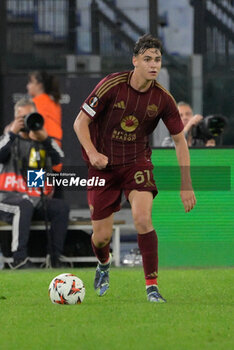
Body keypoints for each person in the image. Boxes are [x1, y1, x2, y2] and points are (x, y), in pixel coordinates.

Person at [73, 34, 196, 303]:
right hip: (102, 166)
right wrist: (93, 154)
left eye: (158, 60)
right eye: (148, 59)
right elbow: (79, 122)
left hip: (136, 163)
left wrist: (186, 184)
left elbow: (180, 141)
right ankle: (104, 264)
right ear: (135, 61)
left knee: (142, 219)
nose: (154, 65)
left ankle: (152, 287)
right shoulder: (111, 85)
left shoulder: (163, 99)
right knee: (102, 238)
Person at [0, 97, 69, 269]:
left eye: (30, 116)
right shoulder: (7, 138)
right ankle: (19, 259)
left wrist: (44, 140)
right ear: (15, 118)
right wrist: (12, 134)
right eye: (22, 117)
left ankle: (54, 259)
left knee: (60, 207)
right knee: (24, 204)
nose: (26, 121)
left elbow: (58, 159)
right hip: (6, 198)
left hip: (32, 198)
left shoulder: (40, 141)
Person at [26, 71, 63, 148]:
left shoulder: (33, 102)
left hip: (42, 143)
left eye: (31, 82)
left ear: (39, 85)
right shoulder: (54, 101)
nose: (28, 86)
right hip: (56, 143)